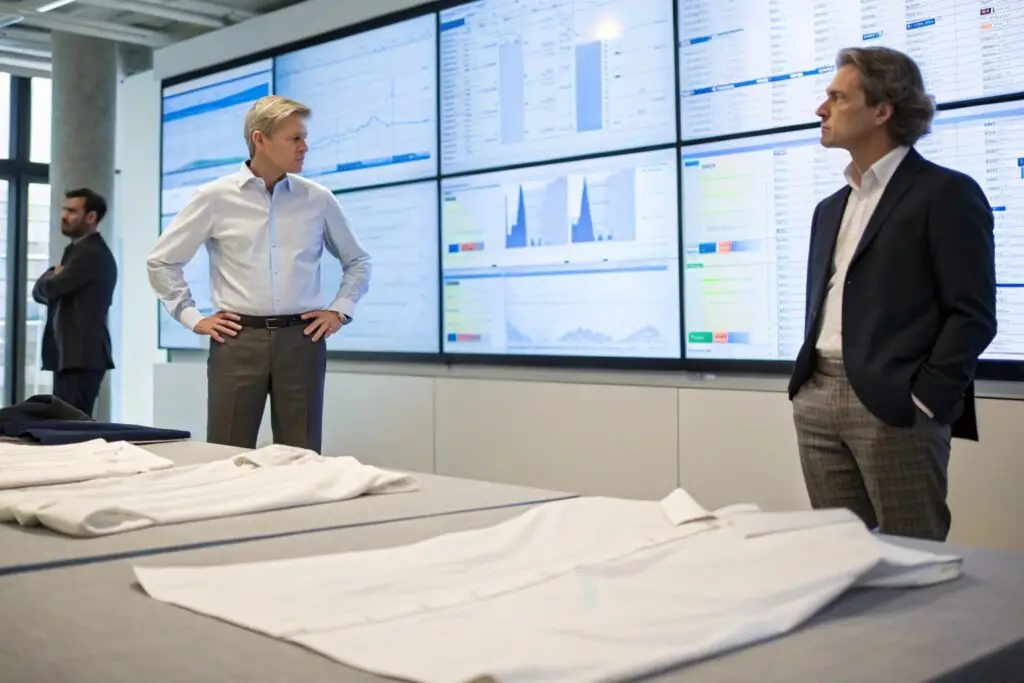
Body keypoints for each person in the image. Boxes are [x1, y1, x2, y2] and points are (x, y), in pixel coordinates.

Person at [788, 47, 997, 541]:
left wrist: (925, 399)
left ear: (882, 111)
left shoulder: (945, 193)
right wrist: (805, 390)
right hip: (817, 398)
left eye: (837, 98)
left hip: (897, 406)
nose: (821, 110)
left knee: (915, 558)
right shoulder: (828, 208)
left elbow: (973, 314)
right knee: (841, 558)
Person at [147, 95, 371, 453]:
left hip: (302, 341)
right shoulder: (214, 197)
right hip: (237, 340)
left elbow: (358, 261)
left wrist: (339, 309)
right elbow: (161, 261)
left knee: (302, 456)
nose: (304, 147)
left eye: (304, 137)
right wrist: (192, 318)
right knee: (226, 453)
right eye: (294, 138)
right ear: (260, 139)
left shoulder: (318, 199)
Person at [33, 188, 117, 417]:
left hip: (80, 356)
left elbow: (49, 289)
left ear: (91, 217)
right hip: (73, 355)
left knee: (71, 429)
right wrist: (54, 276)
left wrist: (50, 274)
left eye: (72, 211)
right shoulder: (78, 250)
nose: (64, 215)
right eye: (64, 209)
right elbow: (43, 292)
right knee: (68, 426)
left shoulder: (89, 253)